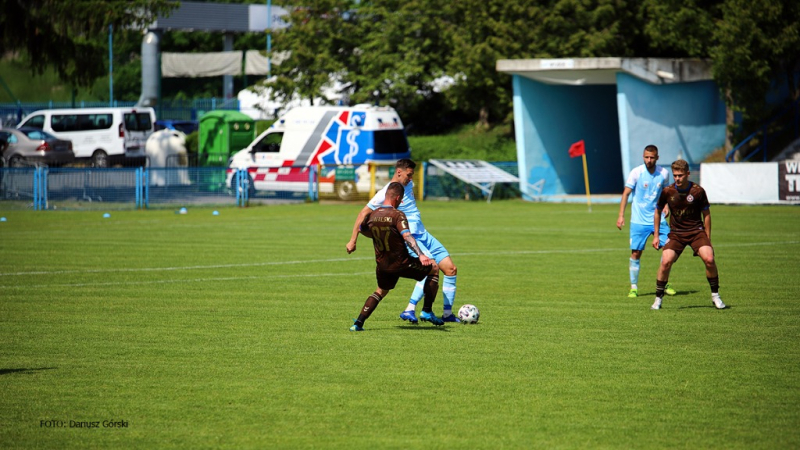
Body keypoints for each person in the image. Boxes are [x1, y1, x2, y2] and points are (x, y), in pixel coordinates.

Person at [346, 159, 459, 323]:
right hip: (411, 236)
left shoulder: (409, 185)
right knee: (429, 267)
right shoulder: (386, 192)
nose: (411, 178)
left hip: (424, 233)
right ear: (399, 172)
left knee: (451, 269)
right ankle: (410, 309)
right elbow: (362, 213)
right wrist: (352, 240)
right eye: (409, 174)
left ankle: (448, 314)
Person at [349, 182, 444, 331]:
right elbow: (407, 236)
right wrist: (421, 255)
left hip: (382, 265)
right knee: (434, 268)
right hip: (401, 263)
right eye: (400, 200)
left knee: (380, 291)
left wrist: (356, 240)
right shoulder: (397, 215)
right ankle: (426, 310)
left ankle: (358, 323)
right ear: (398, 198)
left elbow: (363, 230)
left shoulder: (373, 215)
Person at [650, 160, 726, 310]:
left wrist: (707, 238)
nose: (677, 179)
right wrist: (656, 235)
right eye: (675, 176)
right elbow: (657, 211)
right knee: (665, 262)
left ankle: (715, 296)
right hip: (676, 234)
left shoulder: (698, 191)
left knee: (709, 259)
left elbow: (707, 214)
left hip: (696, 232)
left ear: (688, 174)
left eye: (680, 175)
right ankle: (658, 299)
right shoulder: (668, 191)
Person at [616, 145, 677, 298]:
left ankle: (665, 282)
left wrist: (667, 206)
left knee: (668, 251)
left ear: (657, 157)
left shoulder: (663, 173)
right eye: (646, 157)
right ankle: (634, 287)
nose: (649, 160)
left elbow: (666, 193)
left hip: (659, 219)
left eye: (651, 157)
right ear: (643, 157)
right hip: (639, 221)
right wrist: (621, 215)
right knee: (636, 253)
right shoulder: (636, 172)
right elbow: (626, 194)